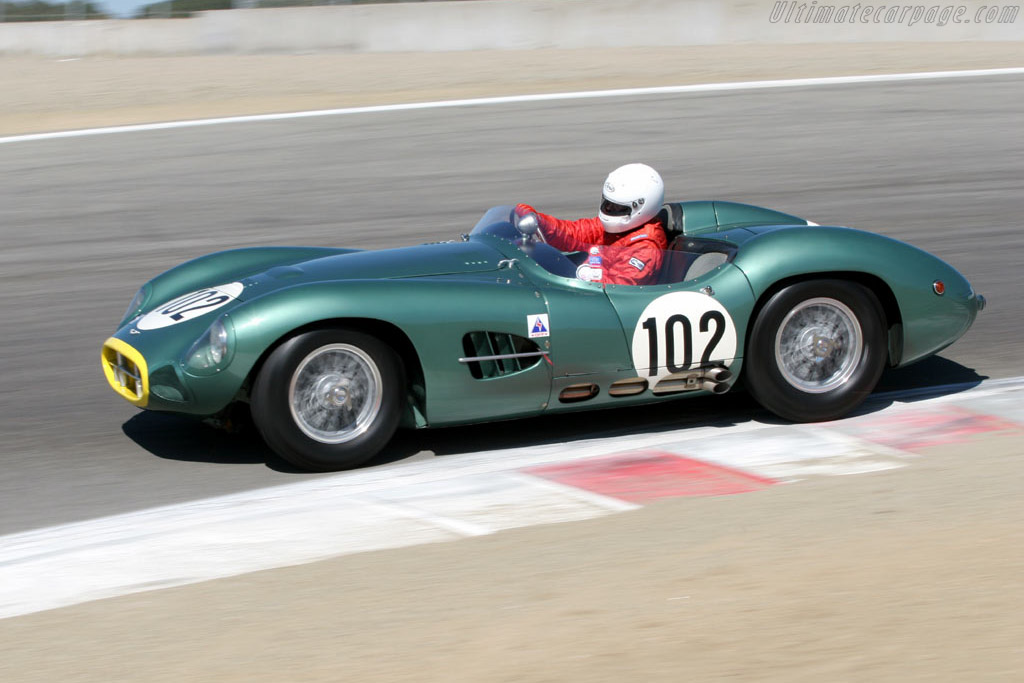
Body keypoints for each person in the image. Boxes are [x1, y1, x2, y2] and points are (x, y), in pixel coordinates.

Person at [516, 163, 668, 286]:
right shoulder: (614, 229)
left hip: (612, 309)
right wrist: (539, 221)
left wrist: (586, 277)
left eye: (618, 208)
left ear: (640, 207)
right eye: (608, 204)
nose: (609, 210)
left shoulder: (645, 247)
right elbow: (573, 233)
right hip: (589, 292)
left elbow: (619, 287)